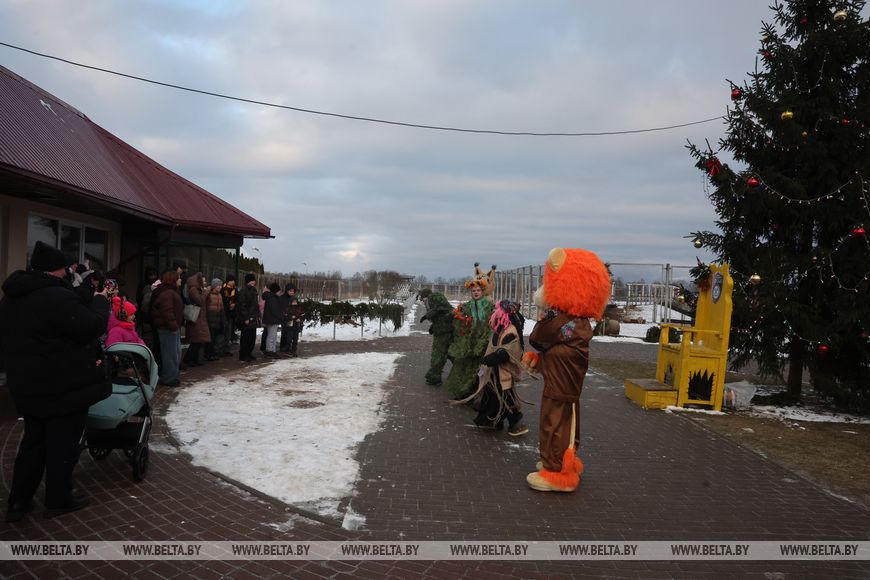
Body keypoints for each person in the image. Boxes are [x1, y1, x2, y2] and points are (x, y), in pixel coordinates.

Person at [0, 241, 111, 521]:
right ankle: (59, 498)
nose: (68, 274)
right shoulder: (56, 297)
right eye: (65, 270)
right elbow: (89, 327)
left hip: (27, 384)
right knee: (63, 443)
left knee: (33, 443)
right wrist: (101, 301)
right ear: (56, 270)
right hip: (62, 386)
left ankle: (19, 502)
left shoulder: (13, 297)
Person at [522, 248, 610, 493]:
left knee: (553, 423)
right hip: (564, 387)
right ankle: (564, 462)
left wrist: (545, 316)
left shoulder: (562, 320)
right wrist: (541, 361)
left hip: (558, 390)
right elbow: (558, 353)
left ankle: (556, 472)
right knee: (567, 421)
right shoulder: (577, 323)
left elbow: (538, 337)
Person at [460, 300, 528, 436]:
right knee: (493, 396)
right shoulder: (500, 327)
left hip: (503, 372)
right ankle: (492, 421)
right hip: (493, 371)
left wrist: (490, 359)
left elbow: (507, 352)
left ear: (504, 313)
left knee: (506, 397)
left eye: (497, 310)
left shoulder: (511, 331)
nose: (494, 313)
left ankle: (516, 423)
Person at [444, 263, 496, 399]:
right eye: (473, 291)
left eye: (478, 290)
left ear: (482, 291)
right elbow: (457, 320)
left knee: (479, 368)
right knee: (463, 366)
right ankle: (463, 391)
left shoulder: (490, 306)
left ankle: (478, 393)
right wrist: (455, 317)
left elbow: (493, 323)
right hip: (468, 342)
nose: (476, 293)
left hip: (484, 342)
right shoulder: (466, 306)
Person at [151, 270, 184, 387]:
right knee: (170, 354)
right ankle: (169, 378)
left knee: (174, 353)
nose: (180, 279)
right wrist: (174, 326)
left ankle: (171, 376)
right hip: (168, 329)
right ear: (173, 279)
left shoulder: (169, 292)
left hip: (170, 327)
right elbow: (167, 312)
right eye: (178, 278)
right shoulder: (168, 293)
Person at [420, 291, 453, 386]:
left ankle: (434, 378)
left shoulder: (434, 297)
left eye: (423, 299)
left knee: (438, 355)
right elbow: (440, 314)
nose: (423, 301)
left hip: (445, 332)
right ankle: (435, 377)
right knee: (449, 354)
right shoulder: (431, 300)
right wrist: (434, 326)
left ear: (426, 296)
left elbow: (444, 307)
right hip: (443, 330)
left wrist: (429, 314)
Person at [182, 272, 211, 367]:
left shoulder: (199, 289)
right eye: (203, 280)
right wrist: (205, 292)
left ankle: (194, 359)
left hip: (200, 318)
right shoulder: (193, 290)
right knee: (195, 341)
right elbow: (200, 301)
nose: (205, 282)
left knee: (199, 341)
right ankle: (188, 359)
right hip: (195, 318)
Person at [236, 273, 261, 362]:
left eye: (254, 280)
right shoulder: (243, 290)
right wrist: (245, 318)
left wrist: (258, 315)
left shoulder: (254, 290)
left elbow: (256, 305)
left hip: (253, 317)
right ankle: (243, 354)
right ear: (248, 281)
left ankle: (249, 353)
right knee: (245, 337)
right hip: (247, 318)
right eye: (252, 280)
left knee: (252, 337)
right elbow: (242, 306)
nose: (254, 282)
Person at [205, 278, 228, 361]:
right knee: (210, 338)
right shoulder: (209, 295)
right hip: (210, 318)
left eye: (220, 285)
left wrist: (224, 320)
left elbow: (222, 308)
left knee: (215, 337)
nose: (220, 287)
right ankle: (208, 354)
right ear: (214, 286)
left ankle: (212, 353)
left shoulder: (220, 295)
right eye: (218, 285)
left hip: (218, 319)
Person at [261, 282, 284, 359]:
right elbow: (275, 310)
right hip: (272, 320)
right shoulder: (272, 299)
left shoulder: (272, 297)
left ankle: (272, 350)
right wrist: (281, 317)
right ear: (275, 291)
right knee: (271, 336)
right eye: (279, 291)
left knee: (273, 336)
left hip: (272, 320)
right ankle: (269, 351)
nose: (280, 292)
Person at [279, 283, 298, 354]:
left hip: (292, 319)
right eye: (290, 291)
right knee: (284, 332)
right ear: (287, 291)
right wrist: (283, 314)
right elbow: (280, 308)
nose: (292, 292)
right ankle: (283, 347)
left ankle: (288, 347)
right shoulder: (282, 298)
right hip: (285, 318)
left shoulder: (293, 298)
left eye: (293, 291)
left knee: (290, 333)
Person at [221, 275, 238, 347]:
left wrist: (234, 304)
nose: (233, 282)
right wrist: (228, 305)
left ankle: (227, 346)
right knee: (223, 330)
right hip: (224, 313)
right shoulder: (223, 289)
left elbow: (238, 299)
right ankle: (221, 347)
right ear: (228, 281)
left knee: (229, 330)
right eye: (231, 280)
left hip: (231, 314)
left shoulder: (235, 290)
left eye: (234, 280)